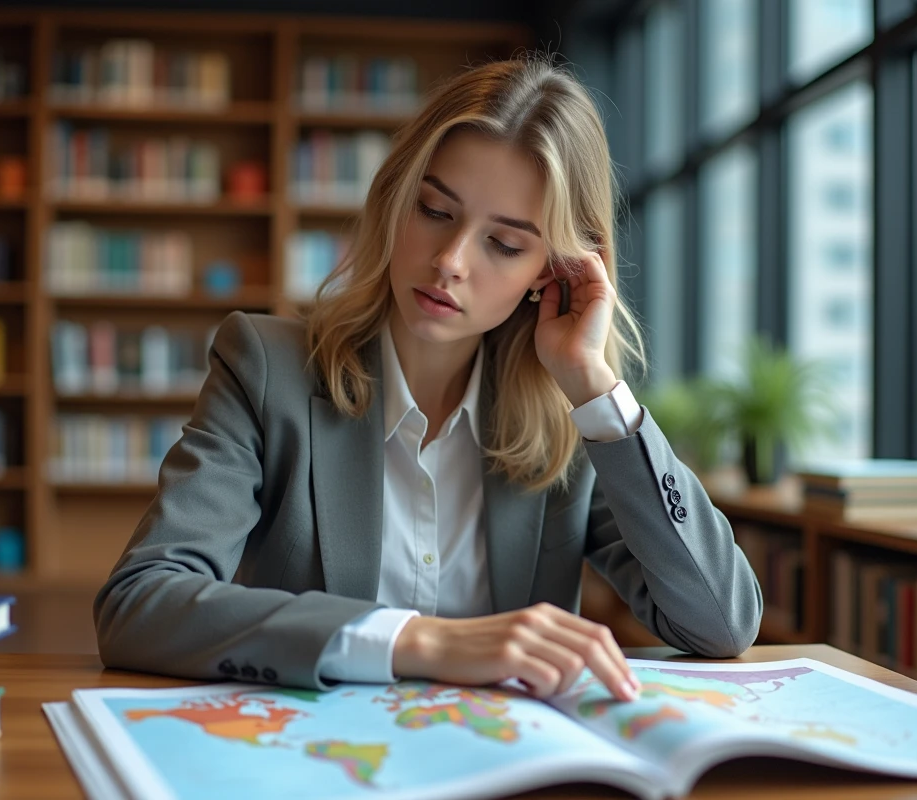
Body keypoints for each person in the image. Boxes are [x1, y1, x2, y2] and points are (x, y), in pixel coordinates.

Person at [94, 55, 762, 703]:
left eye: (504, 244)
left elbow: (720, 625)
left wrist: (593, 387)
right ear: (394, 198)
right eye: (435, 211)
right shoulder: (266, 368)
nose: (449, 261)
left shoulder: (572, 421)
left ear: (554, 269)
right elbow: (140, 602)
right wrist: (421, 642)